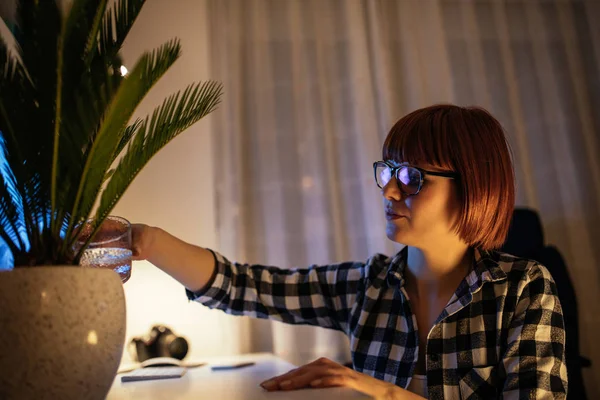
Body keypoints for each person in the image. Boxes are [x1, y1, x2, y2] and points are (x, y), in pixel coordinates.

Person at [131, 104, 568, 399]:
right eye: (388, 171)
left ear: (473, 187)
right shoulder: (369, 286)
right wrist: (145, 240)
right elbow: (244, 285)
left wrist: (380, 392)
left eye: (412, 177)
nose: (389, 190)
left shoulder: (522, 288)